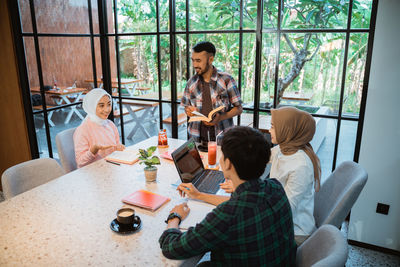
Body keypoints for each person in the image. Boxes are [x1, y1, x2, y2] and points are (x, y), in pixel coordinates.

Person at [159, 126, 296, 266]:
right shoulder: (275, 188)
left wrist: (174, 217)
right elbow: (244, 205)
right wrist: (199, 195)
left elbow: (171, 248)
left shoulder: (227, 216)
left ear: (228, 163)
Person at [219, 106, 321, 245]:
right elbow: (257, 158)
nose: (269, 130)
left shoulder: (300, 166)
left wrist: (241, 186)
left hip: (294, 232)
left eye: (273, 126)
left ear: (288, 130)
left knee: (232, 233)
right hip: (278, 218)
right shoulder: (284, 148)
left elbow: (286, 209)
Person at [181, 41, 242, 147]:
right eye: (193, 60)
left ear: (210, 59)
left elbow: (239, 109)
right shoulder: (191, 82)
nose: (195, 65)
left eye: (198, 61)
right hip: (196, 138)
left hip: (223, 139)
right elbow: (186, 107)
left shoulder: (226, 80)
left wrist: (221, 117)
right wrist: (189, 111)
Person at [73, 88, 125, 168]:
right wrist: (93, 150)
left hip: (110, 167)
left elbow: (117, 146)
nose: (107, 109)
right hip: (91, 173)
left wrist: (119, 147)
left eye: (109, 104)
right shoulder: (82, 130)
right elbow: (80, 162)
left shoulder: (110, 124)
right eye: (101, 106)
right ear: (92, 107)